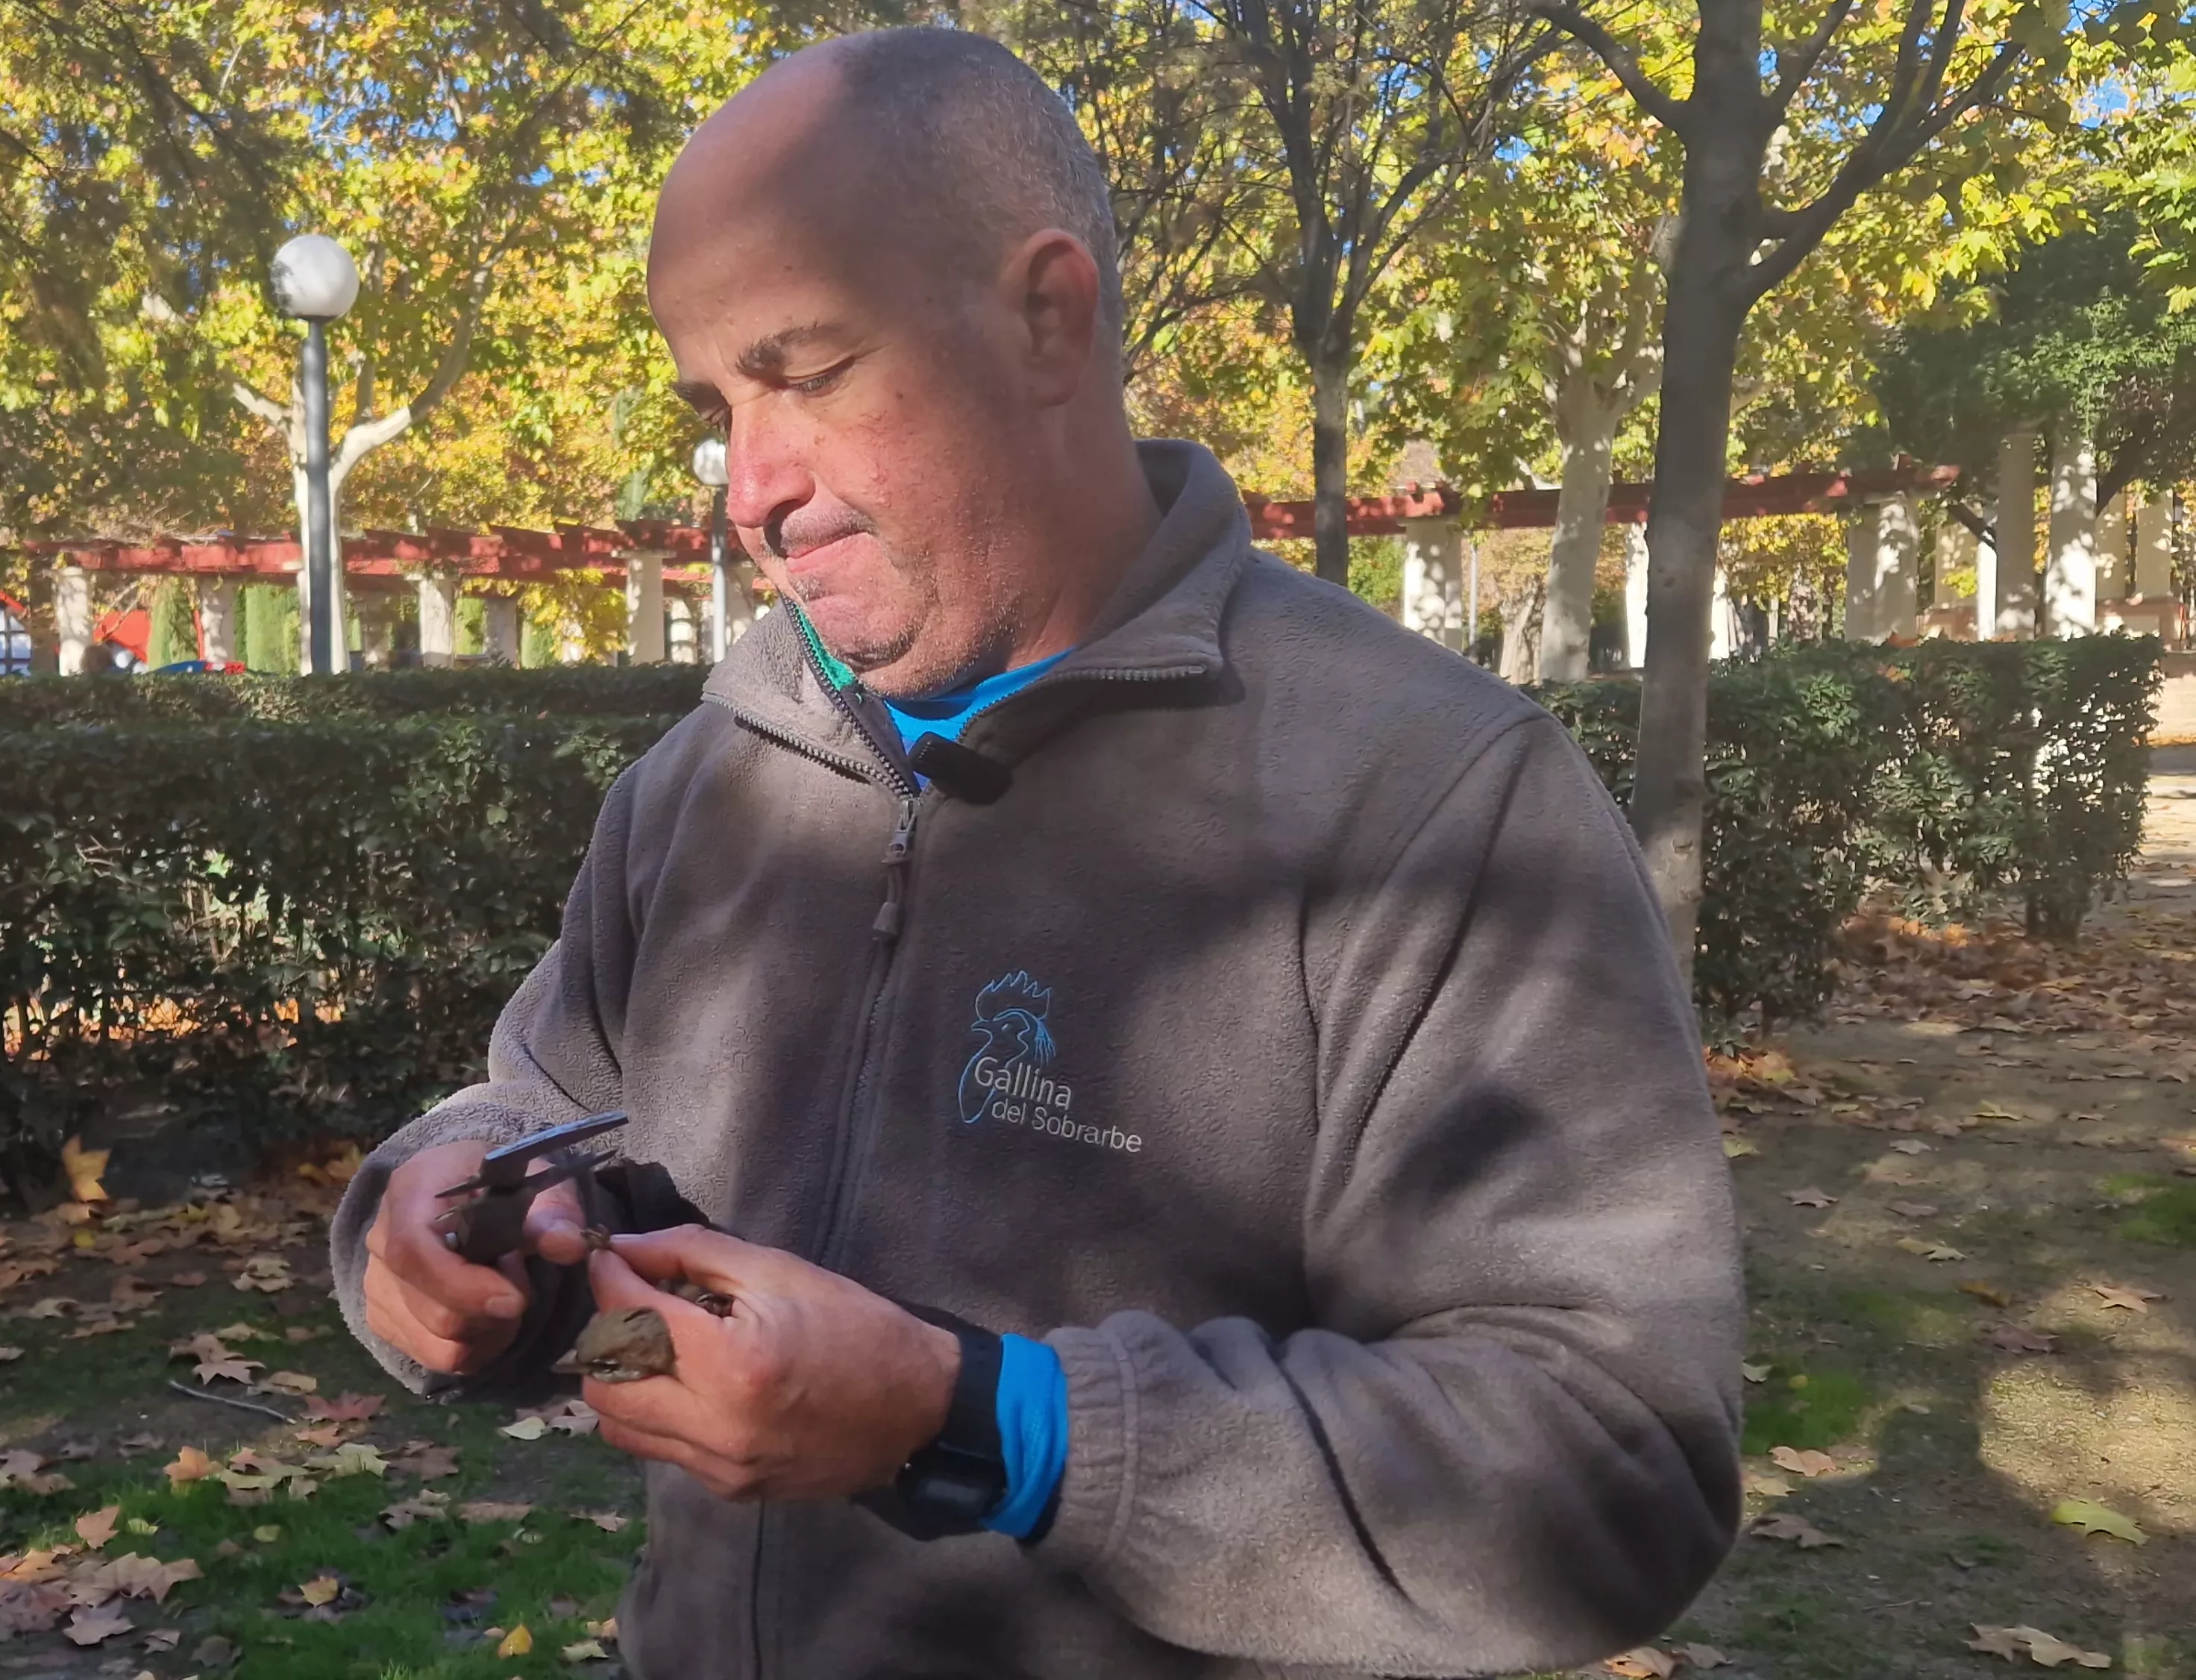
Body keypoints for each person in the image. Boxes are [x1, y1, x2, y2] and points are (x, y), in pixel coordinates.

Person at [332, 27, 1742, 1680]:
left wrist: (986, 1427)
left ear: (1045, 317)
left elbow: (1608, 1464)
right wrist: (436, 1224)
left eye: (804, 369)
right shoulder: (699, 784)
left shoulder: (1428, 799)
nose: (748, 487)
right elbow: (536, 1095)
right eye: (716, 404)